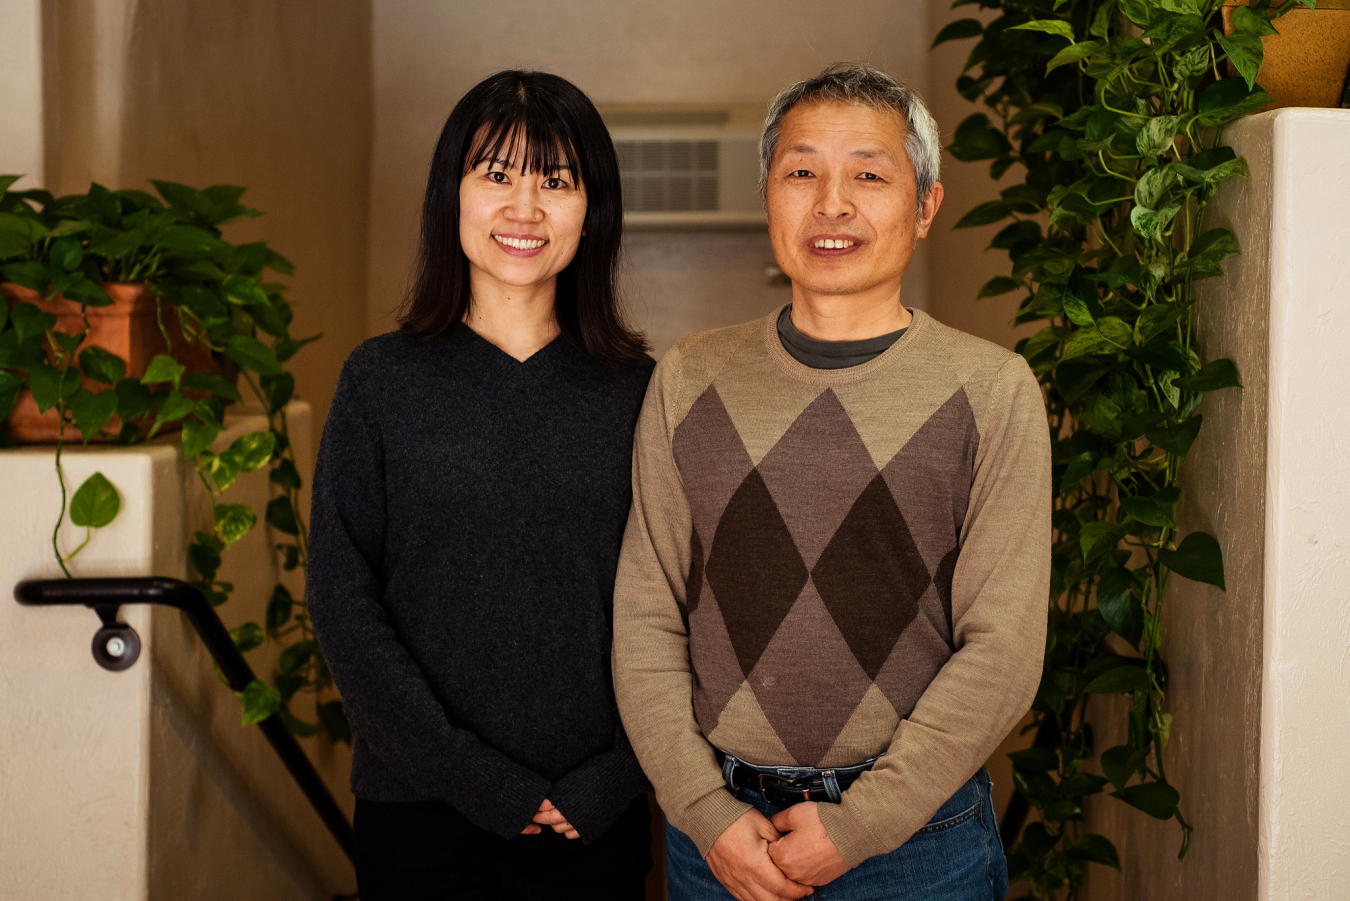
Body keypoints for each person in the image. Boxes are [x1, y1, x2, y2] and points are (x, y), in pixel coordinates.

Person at [612, 63, 1052, 901]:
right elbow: (644, 613)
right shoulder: (688, 378)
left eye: (871, 174)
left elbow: (1002, 652)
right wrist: (703, 809)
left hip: (919, 844)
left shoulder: (993, 392)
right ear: (769, 195)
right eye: (802, 171)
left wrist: (858, 825)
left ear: (925, 206)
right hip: (721, 843)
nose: (832, 203)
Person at [307, 70, 656, 900]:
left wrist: (617, 776)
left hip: (593, 815)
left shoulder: (642, 391)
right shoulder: (380, 382)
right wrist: (479, 779)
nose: (524, 209)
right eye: (496, 174)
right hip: (420, 809)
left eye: (556, 181)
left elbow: (685, 603)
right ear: (450, 195)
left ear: (592, 209)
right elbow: (342, 596)